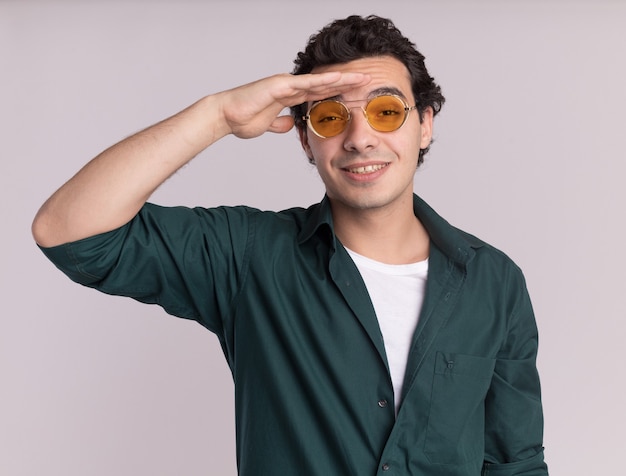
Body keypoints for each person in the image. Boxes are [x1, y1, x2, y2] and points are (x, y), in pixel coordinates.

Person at [32, 14, 548, 476]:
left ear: (424, 125)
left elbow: (515, 463)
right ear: (305, 140)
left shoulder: (494, 282)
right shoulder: (250, 256)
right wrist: (218, 117)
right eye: (329, 117)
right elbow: (69, 231)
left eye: (386, 111)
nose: (360, 137)